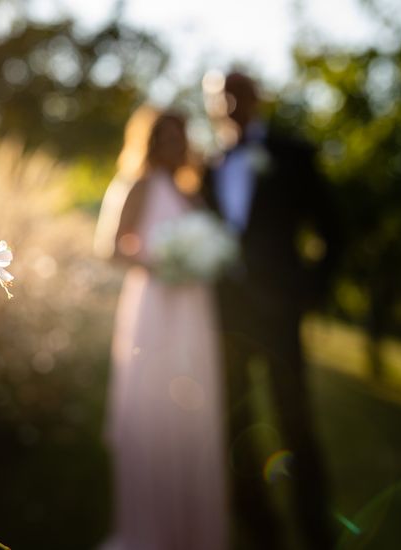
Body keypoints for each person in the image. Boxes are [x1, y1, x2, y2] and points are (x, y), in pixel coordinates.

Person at [201, 71, 343, 549]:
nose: (228, 103)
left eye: (236, 94)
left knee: (296, 423)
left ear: (255, 98)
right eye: (219, 96)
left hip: (280, 316)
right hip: (225, 318)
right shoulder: (208, 164)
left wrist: (308, 290)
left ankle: (315, 529)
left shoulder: (292, 153)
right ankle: (261, 531)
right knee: (234, 425)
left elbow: (333, 229)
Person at [95, 105, 229, 550]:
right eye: (165, 137)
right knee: (153, 410)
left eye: (180, 137)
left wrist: (203, 260)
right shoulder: (137, 185)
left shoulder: (192, 191)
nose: (174, 145)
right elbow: (109, 248)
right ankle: (149, 529)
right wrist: (161, 261)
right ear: (150, 141)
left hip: (193, 312)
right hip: (154, 307)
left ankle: (194, 531)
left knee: (193, 414)